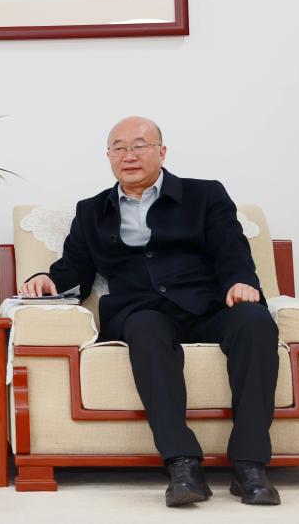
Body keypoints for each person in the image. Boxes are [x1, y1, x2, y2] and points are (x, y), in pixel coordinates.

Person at [20, 116, 281, 507]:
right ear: (108, 156)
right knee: (145, 329)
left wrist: (242, 281)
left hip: (207, 304)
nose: (129, 155)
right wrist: (47, 279)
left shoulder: (204, 195)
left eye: (139, 145)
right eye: (119, 148)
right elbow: (74, 271)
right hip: (142, 309)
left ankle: (250, 466)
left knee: (256, 321)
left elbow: (231, 247)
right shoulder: (92, 211)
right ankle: (182, 464)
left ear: (162, 151)